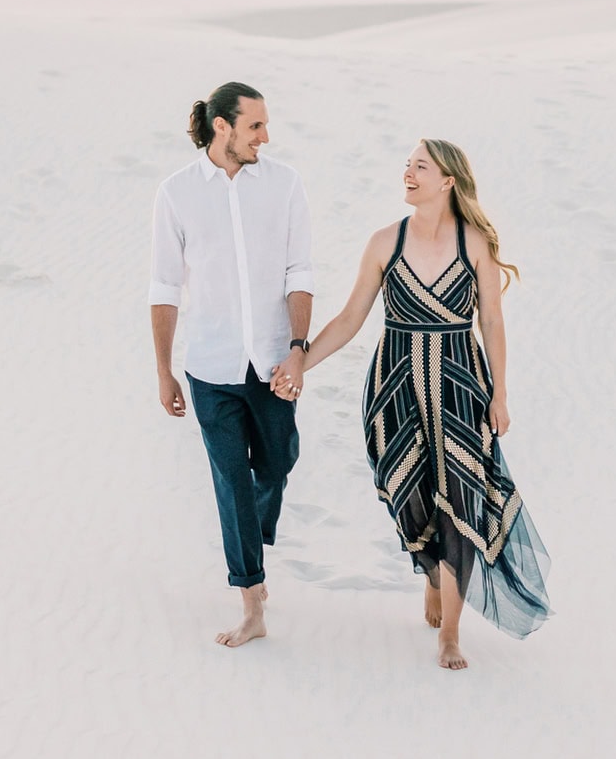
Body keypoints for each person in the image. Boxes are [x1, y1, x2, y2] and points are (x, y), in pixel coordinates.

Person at [282, 139, 550, 669]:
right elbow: (352, 317)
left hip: (459, 386)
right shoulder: (386, 242)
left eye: (419, 166)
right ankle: (431, 572)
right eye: (407, 165)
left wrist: (500, 392)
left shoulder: (476, 243)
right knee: (411, 496)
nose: (407, 172)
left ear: (447, 180)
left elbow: (491, 322)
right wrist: (300, 364)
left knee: (461, 501)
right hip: (395, 387)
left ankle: (451, 631)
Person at [150, 82, 314, 648]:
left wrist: (298, 347)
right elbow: (165, 287)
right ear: (222, 126)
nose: (265, 137)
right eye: (255, 127)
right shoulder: (176, 194)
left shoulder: (285, 184)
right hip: (209, 367)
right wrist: (164, 370)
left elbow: (300, 272)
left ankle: (252, 542)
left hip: (272, 363)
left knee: (276, 464)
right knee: (230, 484)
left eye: (265, 126)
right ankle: (251, 597)